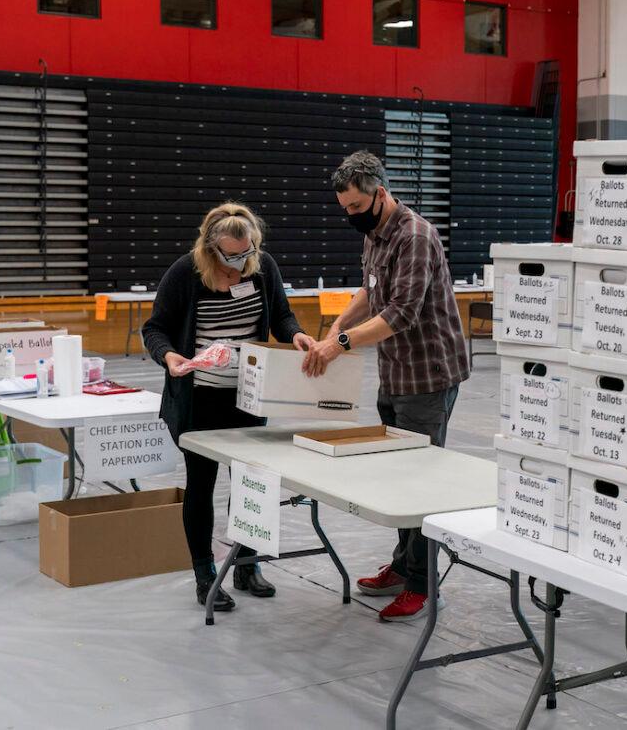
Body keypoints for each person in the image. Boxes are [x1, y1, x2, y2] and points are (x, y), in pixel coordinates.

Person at [302, 151, 470, 622]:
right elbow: (369, 290)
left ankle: (421, 583)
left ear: (380, 193)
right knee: (398, 479)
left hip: (428, 376)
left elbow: (401, 312)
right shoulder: (375, 234)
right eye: (344, 209)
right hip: (394, 373)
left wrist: (340, 344)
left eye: (356, 207)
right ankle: (402, 565)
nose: (350, 216)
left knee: (420, 482)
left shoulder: (415, 236)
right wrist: (336, 326)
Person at [143, 202, 315, 612]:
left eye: (247, 251)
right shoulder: (185, 272)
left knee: (250, 483)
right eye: (231, 254)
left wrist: (298, 336)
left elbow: (283, 317)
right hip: (198, 401)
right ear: (210, 248)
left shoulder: (263, 266)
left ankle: (246, 564)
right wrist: (169, 357)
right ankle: (205, 575)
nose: (240, 261)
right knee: (201, 486)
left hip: (248, 397)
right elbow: (155, 328)